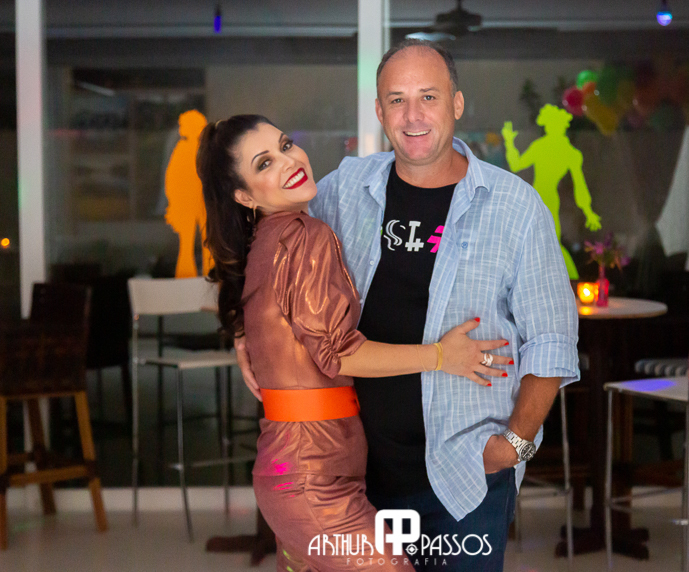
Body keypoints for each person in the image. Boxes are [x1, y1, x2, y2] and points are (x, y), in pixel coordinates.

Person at [237, 40, 580, 572]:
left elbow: (551, 342)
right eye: (397, 100)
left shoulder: (516, 207)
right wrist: (245, 331)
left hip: (465, 478)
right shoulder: (344, 189)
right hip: (357, 475)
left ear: (457, 103)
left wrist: (514, 446)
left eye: (428, 97)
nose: (413, 115)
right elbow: (271, 253)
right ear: (380, 111)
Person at [197, 114, 512, 572]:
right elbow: (338, 352)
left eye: (285, 145)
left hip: (300, 472)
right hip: (313, 481)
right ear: (244, 196)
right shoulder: (304, 235)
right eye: (265, 163)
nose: (289, 161)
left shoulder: (266, 240)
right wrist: (442, 355)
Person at [502, 104, 602, 279]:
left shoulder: (567, 152)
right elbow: (516, 165)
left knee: (548, 243)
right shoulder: (552, 148)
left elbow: (580, 186)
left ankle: (566, 281)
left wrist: (588, 212)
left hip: (543, 199)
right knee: (539, 243)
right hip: (536, 199)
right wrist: (509, 142)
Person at [165, 109, 213, 277]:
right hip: (188, 206)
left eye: (182, 125)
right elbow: (172, 179)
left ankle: (210, 278)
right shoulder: (183, 149)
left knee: (208, 243)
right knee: (187, 245)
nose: (180, 129)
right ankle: (186, 279)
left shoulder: (207, 152)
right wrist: (174, 202)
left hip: (205, 205)